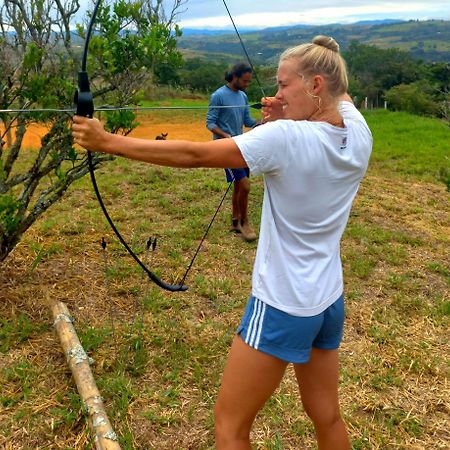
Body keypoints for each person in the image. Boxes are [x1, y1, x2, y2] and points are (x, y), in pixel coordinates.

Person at [73, 35, 373, 450]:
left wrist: (107, 142)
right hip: (327, 301)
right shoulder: (359, 132)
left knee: (229, 426)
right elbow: (344, 99)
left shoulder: (285, 138)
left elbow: (195, 155)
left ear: (316, 85)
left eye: (284, 85)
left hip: (282, 303)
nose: (275, 93)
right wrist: (293, 103)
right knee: (327, 415)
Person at [206, 62, 259, 242]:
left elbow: (247, 121)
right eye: (244, 81)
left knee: (239, 186)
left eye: (249, 82)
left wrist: (263, 121)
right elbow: (210, 123)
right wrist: (226, 136)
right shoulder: (218, 96)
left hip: (242, 146)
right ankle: (245, 223)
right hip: (225, 149)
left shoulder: (243, 96)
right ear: (235, 77)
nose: (246, 84)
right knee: (245, 185)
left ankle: (235, 221)